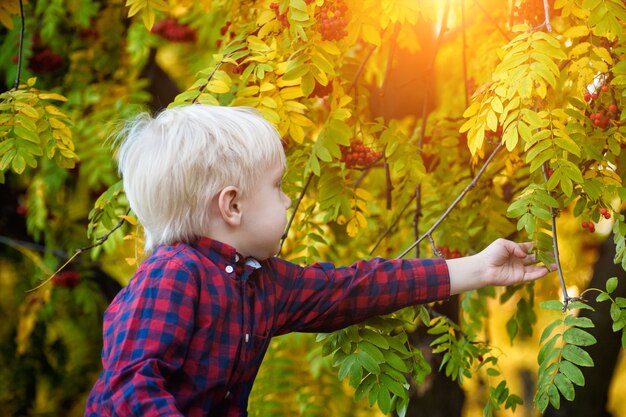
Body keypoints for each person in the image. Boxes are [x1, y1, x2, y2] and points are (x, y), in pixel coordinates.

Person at [84, 104, 551, 417]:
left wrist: (477, 268)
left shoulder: (260, 283)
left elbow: (353, 288)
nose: (289, 201)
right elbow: (129, 387)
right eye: (277, 187)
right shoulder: (172, 274)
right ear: (232, 206)